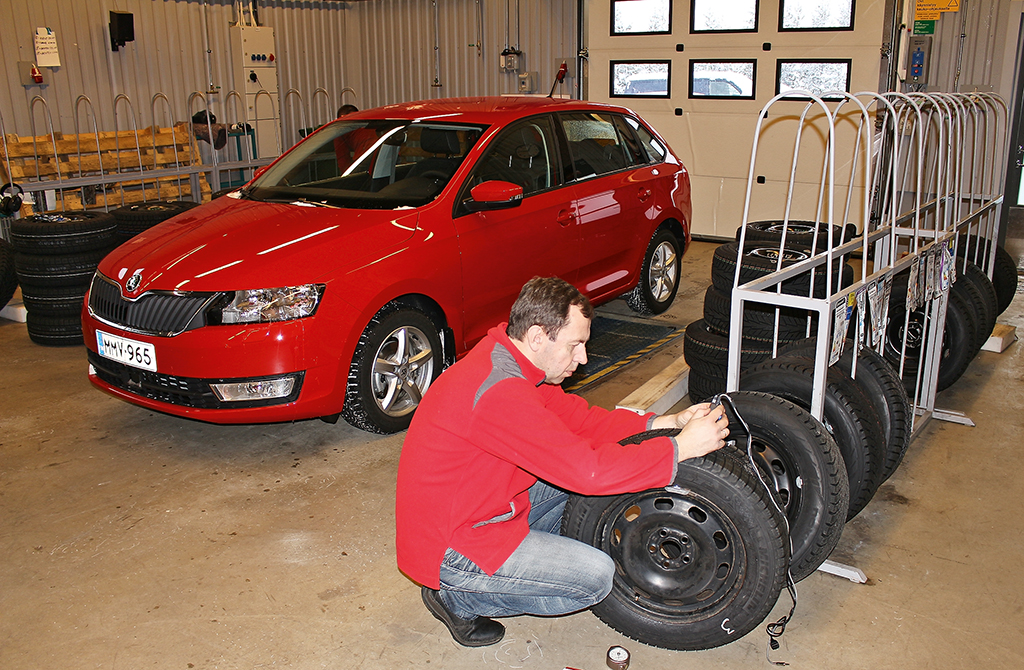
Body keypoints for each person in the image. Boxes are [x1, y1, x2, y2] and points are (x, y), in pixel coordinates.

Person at [395, 276, 729, 647]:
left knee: (584, 482)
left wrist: (665, 423)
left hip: (482, 503)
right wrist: (679, 448)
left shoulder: (515, 363)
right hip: (454, 543)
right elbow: (589, 472)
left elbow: (581, 422)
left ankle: (526, 561)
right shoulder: (500, 392)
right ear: (538, 336)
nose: (583, 358)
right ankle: (459, 598)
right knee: (595, 577)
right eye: (575, 345)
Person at [333, 104, 377, 172]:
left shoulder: (340, 130)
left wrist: (347, 176)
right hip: (384, 152)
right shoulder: (370, 123)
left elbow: (343, 162)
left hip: (364, 157)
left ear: (341, 118)